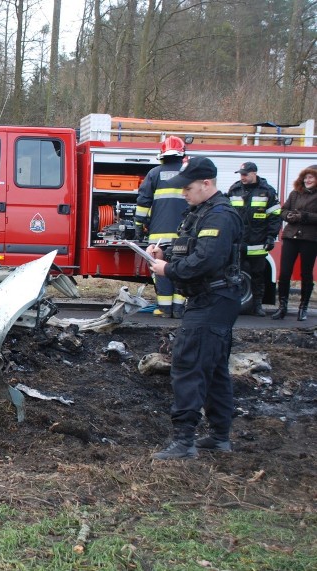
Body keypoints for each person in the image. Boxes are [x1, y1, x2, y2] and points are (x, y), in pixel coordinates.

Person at [146, 157, 243, 460]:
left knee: (188, 366)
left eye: (187, 188)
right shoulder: (201, 213)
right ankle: (218, 436)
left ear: (207, 184)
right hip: (212, 299)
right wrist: (165, 254)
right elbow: (193, 249)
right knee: (213, 369)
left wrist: (168, 270)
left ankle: (184, 442)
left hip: (212, 300)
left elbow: (206, 261)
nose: (183, 194)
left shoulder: (219, 216)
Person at [135, 136, 189, 318]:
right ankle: (179, 309)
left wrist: (138, 225)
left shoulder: (154, 173)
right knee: (180, 270)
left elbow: (143, 203)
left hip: (159, 236)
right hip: (184, 236)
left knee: (161, 269)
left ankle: (165, 309)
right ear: (182, 154)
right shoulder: (188, 174)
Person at [225, 162, 281, 316]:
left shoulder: (267, 191)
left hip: (258, 241)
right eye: (241, 174)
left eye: (245, 174)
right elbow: (226, 214)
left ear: (254, 173)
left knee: (257, 276)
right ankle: (232, 305)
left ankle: (257, 306)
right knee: (234, 275)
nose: (242, 177)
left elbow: (275, 217)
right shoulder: (234, 189)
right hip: (238, 242)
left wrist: (271, 237)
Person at [271, 165, 317, 321]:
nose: (307, 180)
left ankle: (303, 308)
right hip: (290, 237)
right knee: (284, 273)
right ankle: (282, 307)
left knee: (306, 274)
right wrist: (288, 215)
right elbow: (282, 210)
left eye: (311, 177)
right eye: (306, 177)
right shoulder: (295, 193)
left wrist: (303, 216)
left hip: (310, 239)